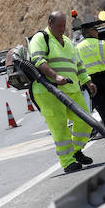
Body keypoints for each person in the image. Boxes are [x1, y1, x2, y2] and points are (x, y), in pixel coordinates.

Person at [28, 11, 97, 174]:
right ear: (49, 23)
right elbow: (38, 60)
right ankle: (68, 162)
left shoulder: (67, 41)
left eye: (64, 26)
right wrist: (55, 76)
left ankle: (75, 151)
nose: (61, 29)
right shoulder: (40, 38)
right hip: (49, 92)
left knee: (86, 121)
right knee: (60, 128)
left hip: (71, 90)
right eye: (58, 26)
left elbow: (78, 64)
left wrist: (87, 81)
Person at [76, 24, 105, 145]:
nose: (97, 32)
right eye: (96, 30)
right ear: (90, 32)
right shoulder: (101, 43)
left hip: (90, 81)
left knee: (101, 108)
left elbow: (75, 66)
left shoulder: (77, 48)